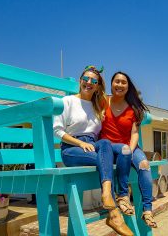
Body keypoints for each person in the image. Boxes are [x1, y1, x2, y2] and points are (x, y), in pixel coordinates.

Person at [53, 66, 133, 236]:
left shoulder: (97, 105)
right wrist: (79, 144)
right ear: (80, 80)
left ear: (97, 86)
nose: (89, 82)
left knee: (106, 143)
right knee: (105, 159)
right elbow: (58, 131)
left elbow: (115, 103)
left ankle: (106, 194)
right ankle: (114, 215)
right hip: (72, 148)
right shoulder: (67, 101)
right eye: (86, 79)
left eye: (94, 81)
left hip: (93, 145)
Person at [100, 71, 157, 228]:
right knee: (124, 150)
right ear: (111, 84)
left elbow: (134, 134)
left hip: (129, 147)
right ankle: (123, 196)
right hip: (108, 147)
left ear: (128, 86)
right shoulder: (103, 101)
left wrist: (131, 150)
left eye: (123, 82)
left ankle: (147, 210)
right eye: (116, 81)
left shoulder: (134, 108)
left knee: (144, 165)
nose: (119, 84)